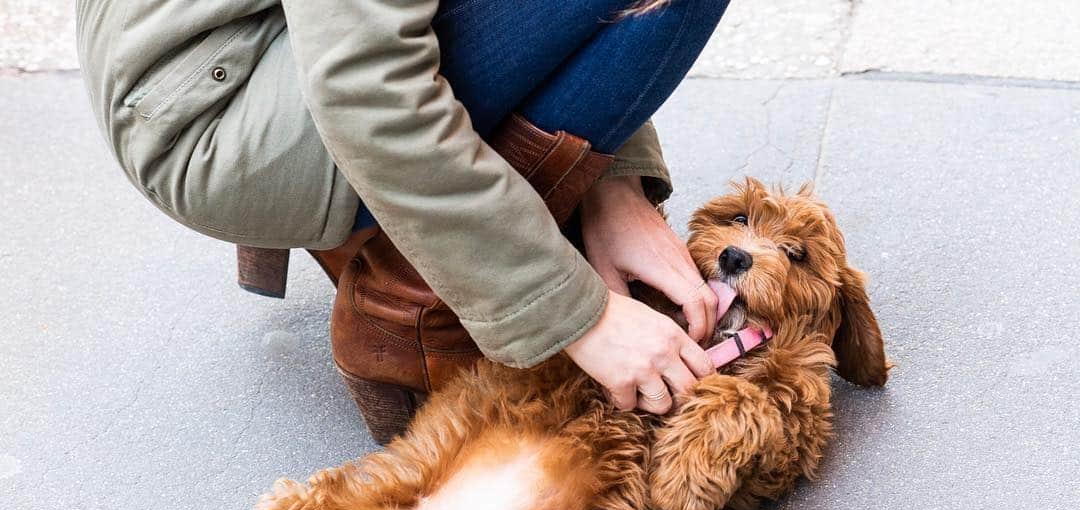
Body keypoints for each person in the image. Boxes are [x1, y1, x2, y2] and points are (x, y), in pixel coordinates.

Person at [77, 0, 732, 442]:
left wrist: (613, 187)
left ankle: (425, 214)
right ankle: (401, 296)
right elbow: (368, 87)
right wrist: (574, 313)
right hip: (216, 105)